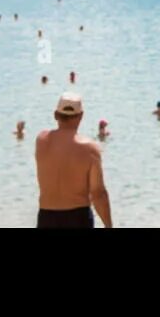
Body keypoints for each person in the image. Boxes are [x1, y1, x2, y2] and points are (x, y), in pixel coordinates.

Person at [35, 92, 112, 228]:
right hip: (78, 217)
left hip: (46, 217)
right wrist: (109, 225)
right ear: (81, 116)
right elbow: (98, 193)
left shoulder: (41, 141)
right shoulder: (90, 149)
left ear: (55, 115)